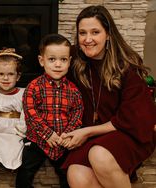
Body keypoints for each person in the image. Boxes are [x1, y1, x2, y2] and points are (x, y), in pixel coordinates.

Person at [61, 5, 156, 188]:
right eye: (82, 33)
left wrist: (86, 131)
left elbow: (132, 120)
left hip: (127, 132)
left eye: (95, 32)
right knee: (76, 173)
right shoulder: (74, 61)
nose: (88, 39)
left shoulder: (126, 68)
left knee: (100, 154)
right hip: (94, 137)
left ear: (108, 35)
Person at [16, 33, 84, 188]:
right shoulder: (34, 87)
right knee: (25, 172)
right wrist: (48, 134)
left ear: (69, 62)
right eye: (52, 59)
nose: (58, 64)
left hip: (63, 141)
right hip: (38, 140)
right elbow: (31, 113)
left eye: (63, 60)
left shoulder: (73, 90)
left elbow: (77, 113)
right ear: (42, 61)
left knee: (67, 175)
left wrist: (67, 134)